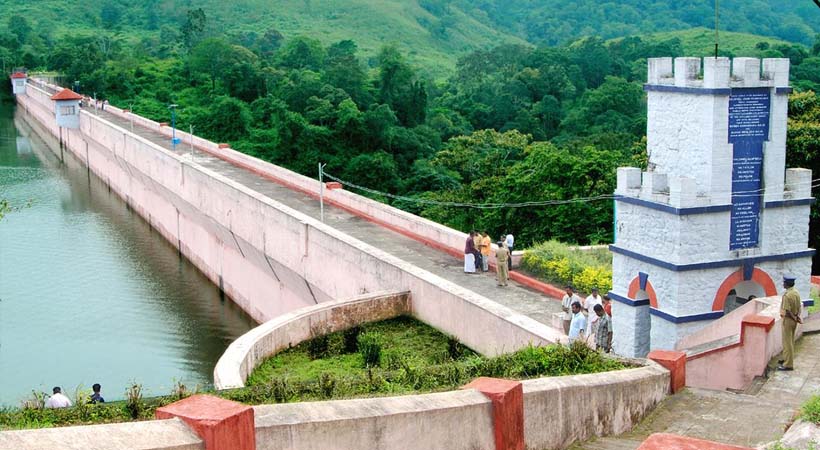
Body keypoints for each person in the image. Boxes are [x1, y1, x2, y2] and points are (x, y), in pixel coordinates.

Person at [778, 275, 802, 371]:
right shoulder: (796, 292)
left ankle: (788, 364)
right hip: (794, 319)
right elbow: (799, 307)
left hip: (788, 320)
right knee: (790, 341)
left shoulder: (787, 295)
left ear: (787, 284)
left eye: (784, 282)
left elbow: (787, 311)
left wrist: (794, 317)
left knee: (787, 342)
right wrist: (797, 317)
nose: (783, 284)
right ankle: (786, 358)